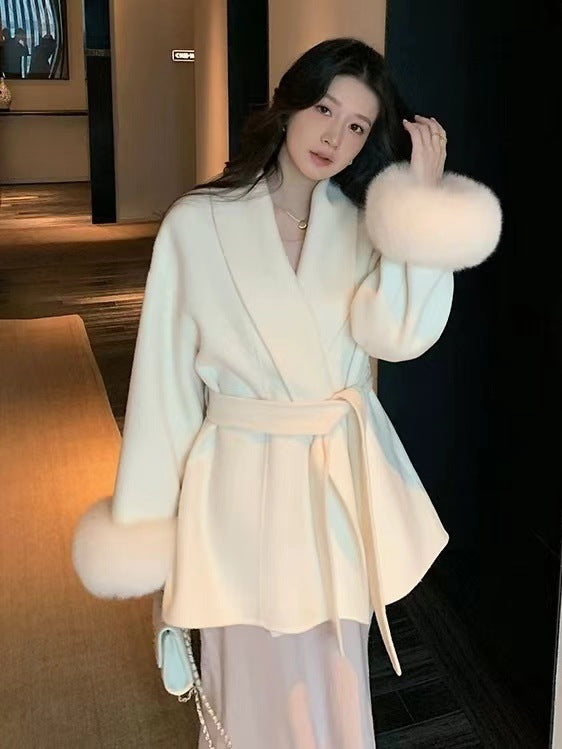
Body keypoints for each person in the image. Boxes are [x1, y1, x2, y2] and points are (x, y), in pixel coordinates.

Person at [71, 37, 502, 748]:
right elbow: (164, 389)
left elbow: (399, 334)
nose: (334, 136)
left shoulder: (360, 228)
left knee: (334, 688)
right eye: (325, 109)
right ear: (290, 102)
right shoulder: (196, 224)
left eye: (357, 125)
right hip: (236, 494)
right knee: (252, 693)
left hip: (333, 493)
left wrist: (421, 204)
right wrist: (152, 535)